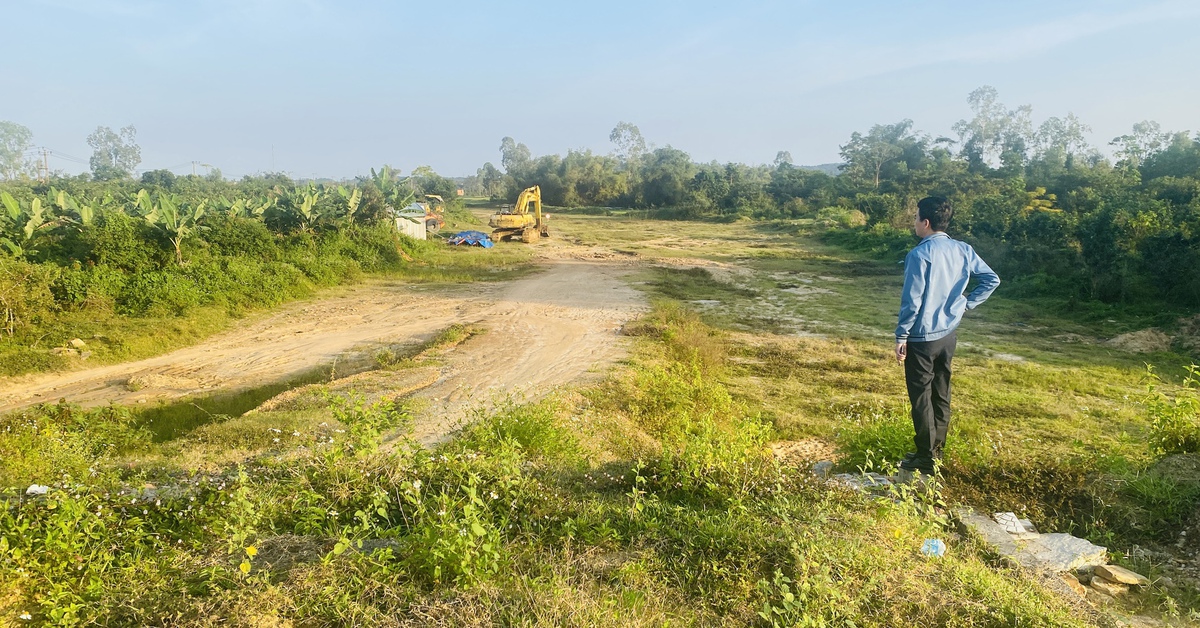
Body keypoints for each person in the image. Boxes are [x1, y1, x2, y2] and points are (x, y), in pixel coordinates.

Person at [895, 196, 1000, 475]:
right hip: (948, 335)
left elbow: (912, 301)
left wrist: (901, 336)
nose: (914, 223)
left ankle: (925, 457)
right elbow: (991, 278)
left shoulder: (919, 254)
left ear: (926, 222)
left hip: (921, 338)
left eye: (916, 218)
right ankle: (936, 450)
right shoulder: (963, 249)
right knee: (941, 394)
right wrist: (966, 303)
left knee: (921, 397)